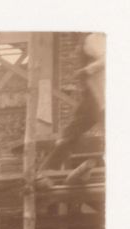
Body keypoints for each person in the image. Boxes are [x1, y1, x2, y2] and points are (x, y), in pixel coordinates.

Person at [43, 33, 106, 170]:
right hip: (94, 96)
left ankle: (48, 169)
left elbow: (107, 58)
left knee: (71, 131)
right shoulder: (88, 40)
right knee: (71, 132)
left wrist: (86, 70)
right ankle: (49, 169)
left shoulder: (93, 38)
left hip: (99, 97)